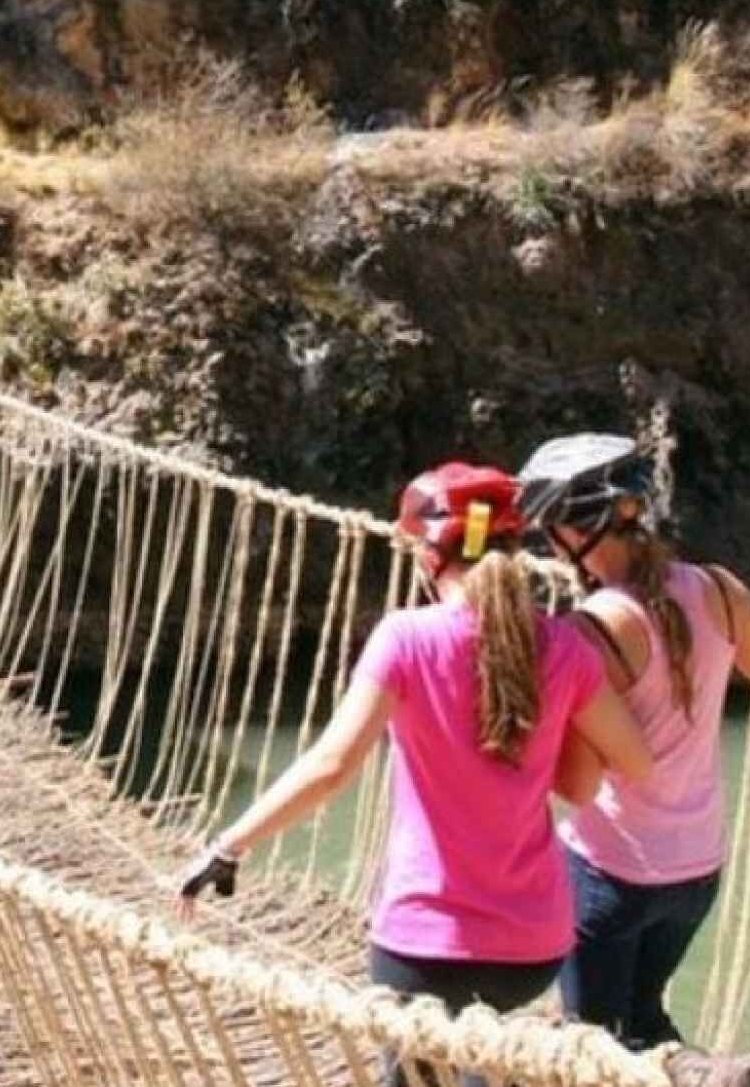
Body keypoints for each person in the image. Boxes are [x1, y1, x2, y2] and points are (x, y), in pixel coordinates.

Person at [179, 461, 653, 1087]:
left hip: (426, 948)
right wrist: (560, 727)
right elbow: (634, 760)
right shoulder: (564, 647)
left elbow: (330, 765)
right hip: (533, 948)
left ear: (432, 556)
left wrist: (228, 847)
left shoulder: (405, 638)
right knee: (482, 1064)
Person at [516, 433, 750, 1054]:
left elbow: (576, 779)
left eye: (552, 529)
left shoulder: (592, 630)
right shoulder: (719, 589)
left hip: (610, 874)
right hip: (697, 872)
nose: (550, 544)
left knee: (593, 1051)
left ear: (578, 535)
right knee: (645, 1019)